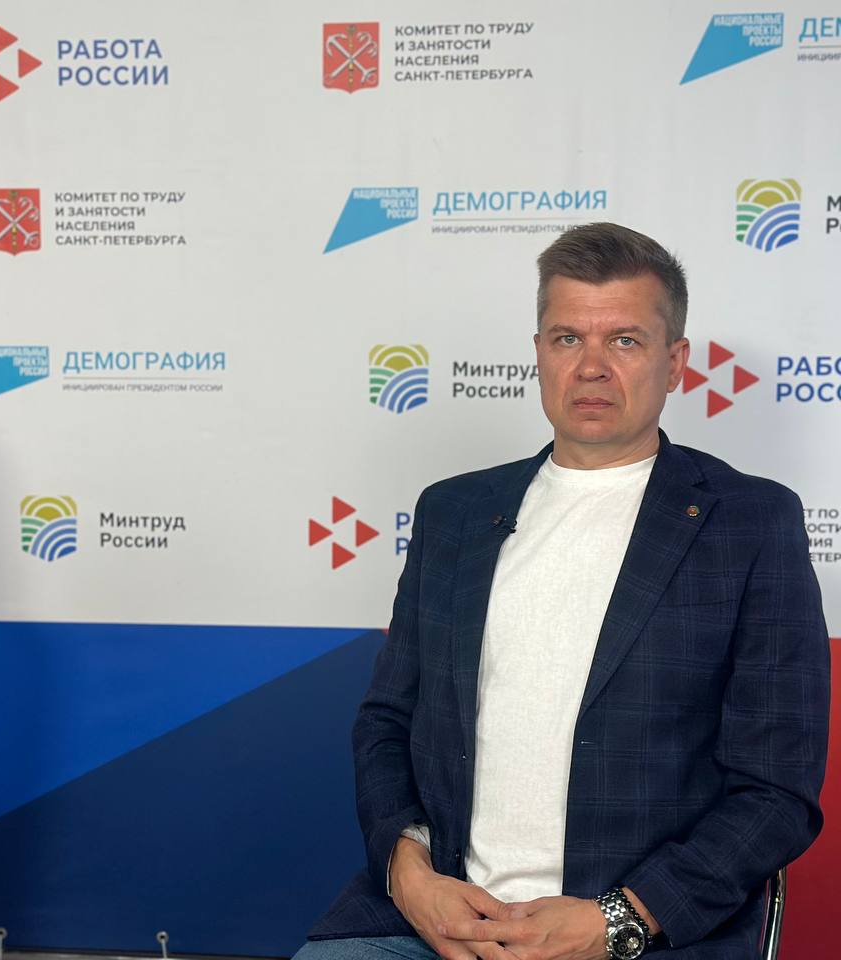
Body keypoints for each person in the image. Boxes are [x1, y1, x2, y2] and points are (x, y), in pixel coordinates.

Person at [297, 223, 830, 960]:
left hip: (639, 934)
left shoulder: (750, 523)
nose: (592, 367)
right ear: (539, 352)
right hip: (435, 923)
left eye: (625, 341)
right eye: (568, 338)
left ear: (676, 363)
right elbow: (388, 722)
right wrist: (409, 876)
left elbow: (775, 793)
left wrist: (616, 921)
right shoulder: (453, 513)